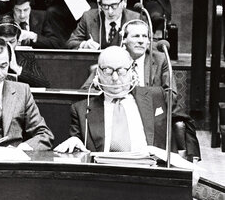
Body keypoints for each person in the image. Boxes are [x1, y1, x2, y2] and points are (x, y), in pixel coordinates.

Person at [55, 46, 197, 156]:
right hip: (103, 179)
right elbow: (77, 145)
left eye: (121, 71)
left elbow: (186, 121)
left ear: (132, 71)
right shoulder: (81, 109)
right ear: (98, 74)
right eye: (108, 71)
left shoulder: (156, 96)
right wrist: (75, 142)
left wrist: (193, 160)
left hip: (151, 175)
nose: (115, 78)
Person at [81, 19, 175, 95]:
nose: (141, 41)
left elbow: (171, 94)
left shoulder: (160, 59)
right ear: (124, 39)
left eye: (145, 36)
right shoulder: (111, 58)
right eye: (136, 36)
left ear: (149, 41)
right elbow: (86, 90)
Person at [66, 0, 141, 49]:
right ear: (99, 5)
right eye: (105, 6)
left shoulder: (135, 19)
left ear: (124, 3)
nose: (110, 11)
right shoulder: (88, 17)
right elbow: (70, 43)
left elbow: (148, 46)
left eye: (114, 5)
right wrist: (84, 44)